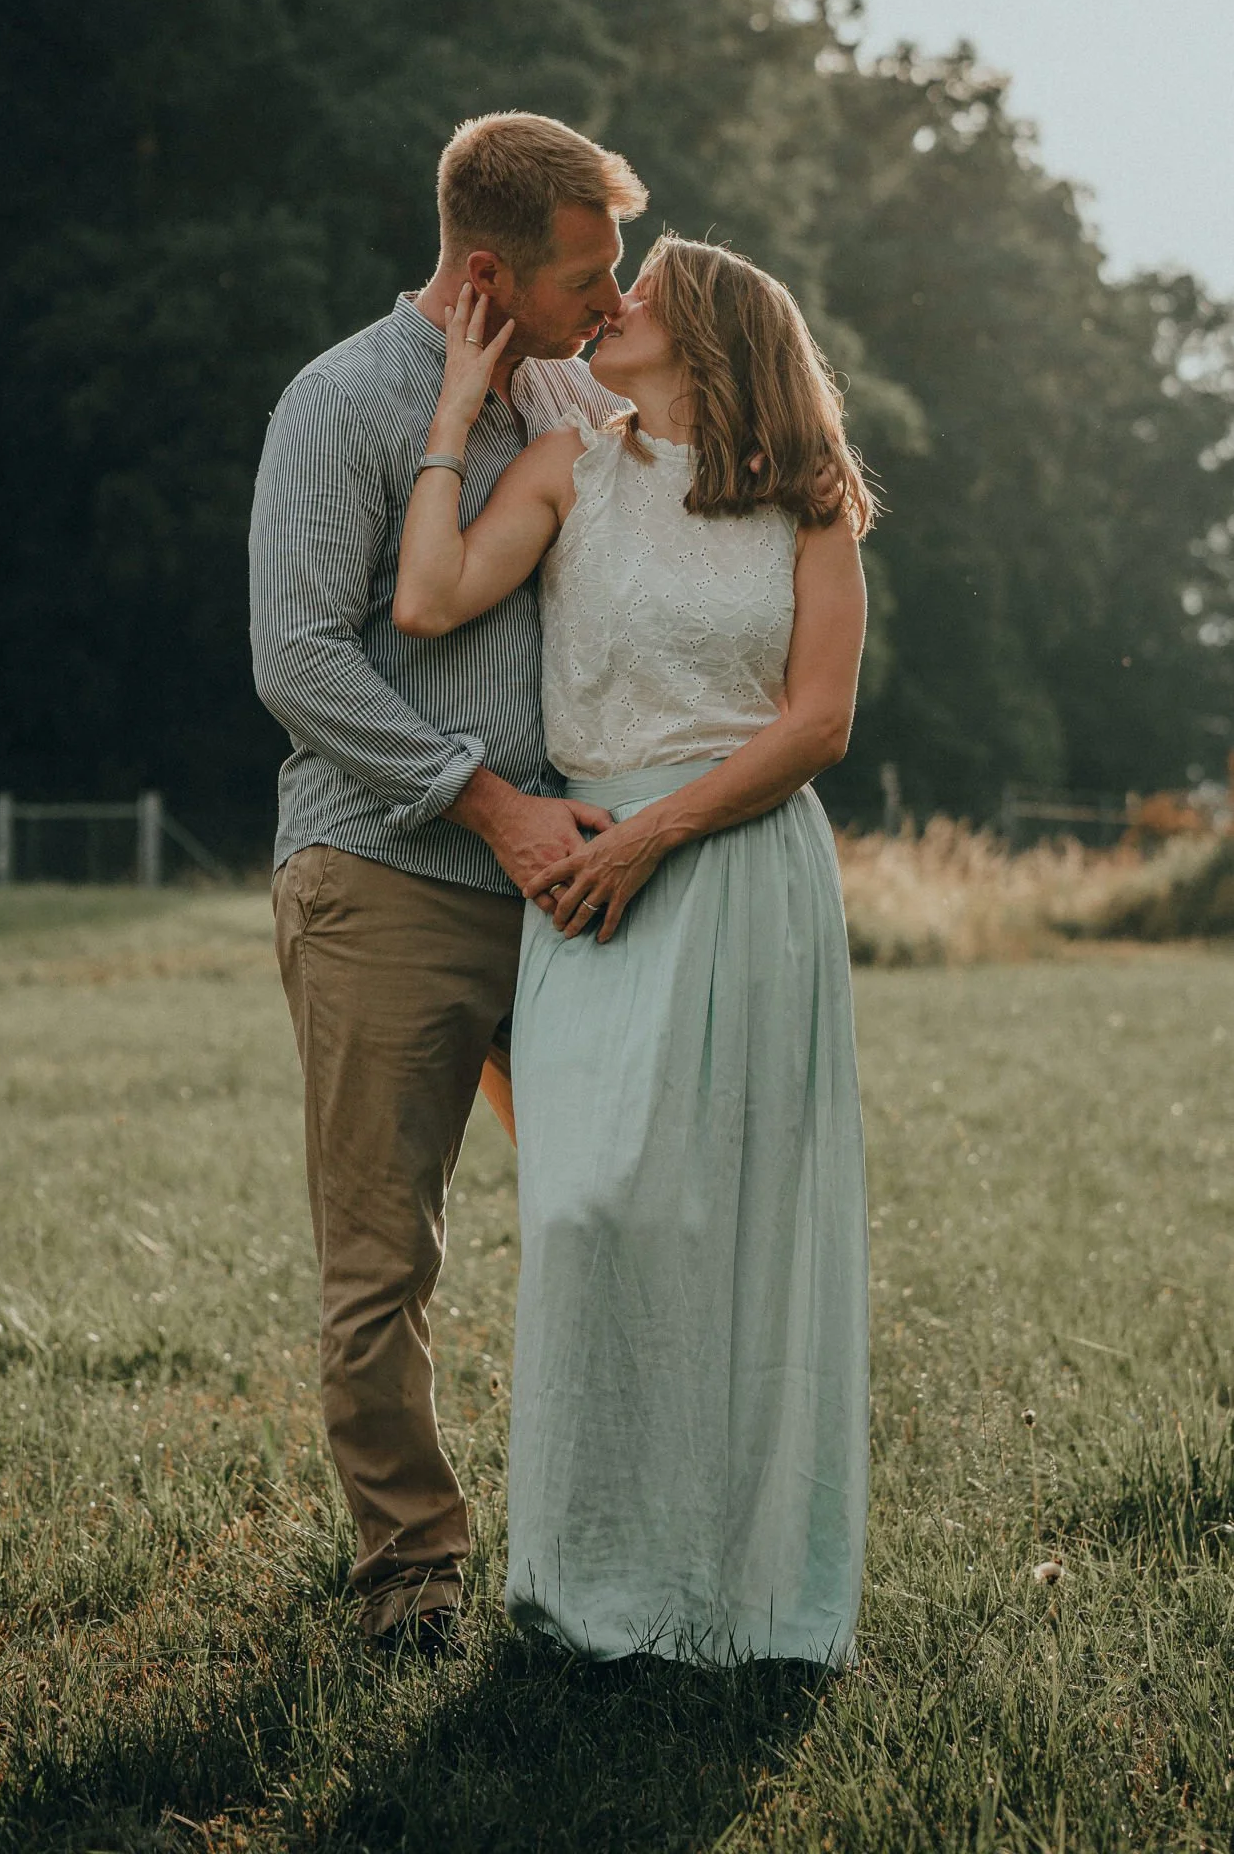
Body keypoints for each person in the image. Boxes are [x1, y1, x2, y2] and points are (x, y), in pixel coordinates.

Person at [393, 236, 873, 1667]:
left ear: (714, 336)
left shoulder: (809, 503)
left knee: (735, 1225)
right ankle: (588, 1580)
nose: (614, 305)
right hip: (588, 879)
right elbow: (426, 599)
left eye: (645, 292)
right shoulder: (568, 468)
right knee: (588, 1207)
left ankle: (741, 1590)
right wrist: (453, 413)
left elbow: (818, 722)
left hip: (741, 869)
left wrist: (658, 837)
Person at [249, 112, 647, 1654]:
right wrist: (489, 808)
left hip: (567, 888)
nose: (611, 302)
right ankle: (412, 1576)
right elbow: (298, 660)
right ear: (489, 272)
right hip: (389, 879)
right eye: (584, 277)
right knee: (384, 1256)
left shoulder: (560, 390)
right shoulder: (342, 402)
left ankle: (614, 1532)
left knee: (619, 1209)